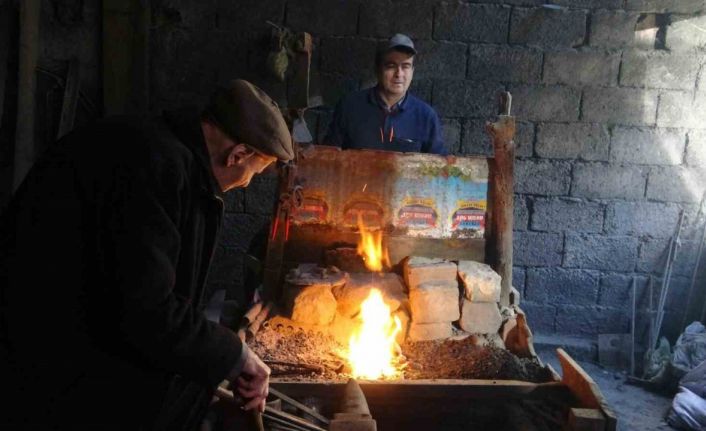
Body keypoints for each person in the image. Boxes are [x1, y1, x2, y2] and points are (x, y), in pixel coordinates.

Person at [0, 79, 293, 430]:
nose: (246, 183)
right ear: (238, 154)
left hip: (68, 334)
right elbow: (146, 310)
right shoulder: (155, 168)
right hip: (45, 355)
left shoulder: (161, 150)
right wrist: (234, 354)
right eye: (252, 174)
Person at [325, 33, 446, 155]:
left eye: (405, 66)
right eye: (391, 66)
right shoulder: (349, 107)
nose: (399, 74)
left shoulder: (426, 117)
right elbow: (327, 158)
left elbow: (439, 169)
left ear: (412, 71)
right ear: (378, 69)